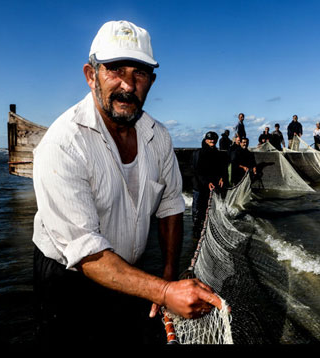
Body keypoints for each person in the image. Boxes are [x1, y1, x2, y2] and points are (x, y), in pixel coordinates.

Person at [31, 20, 222, 353]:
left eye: (140, 74)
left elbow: (171, 206)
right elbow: (85, 252)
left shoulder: (158, 136)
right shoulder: (62, 144)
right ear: (91, 76)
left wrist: (167, 274)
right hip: (69, 277)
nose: (128, 85)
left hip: (129, 269)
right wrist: (164, 292)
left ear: (152, 81)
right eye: (115, 70)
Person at [192, 131, 228, 238]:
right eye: (210, 139)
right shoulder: (200, 153)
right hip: (199, 187)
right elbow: (198, 171)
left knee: (209, 209)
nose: (212, 141)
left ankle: (206, 230)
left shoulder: (217, 153)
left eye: (214, 139)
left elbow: (221, 168)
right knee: (198, 211)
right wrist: (207, 182)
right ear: (205, 140)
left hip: (211, 187)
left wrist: (222, 178)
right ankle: (196, 233)